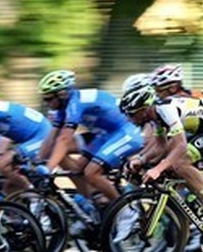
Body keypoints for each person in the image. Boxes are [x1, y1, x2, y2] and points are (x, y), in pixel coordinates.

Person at [120, 85, 203, 240]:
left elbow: (181, 145)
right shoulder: (155, 118)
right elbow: (161, 146)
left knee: (180, 164)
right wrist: (141, 159)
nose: (128, 119)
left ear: (143, 109)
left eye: (131, 114)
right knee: (199, 186)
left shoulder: (166, 110)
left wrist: (158, 169)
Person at [37, 69, 143, 209]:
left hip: (125, 131)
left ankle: (125, 211)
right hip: (105, 134)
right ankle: (93, 202)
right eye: (45, 99)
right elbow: (53, 135)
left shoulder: (76, 102)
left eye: (49, 98)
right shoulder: (63, 108)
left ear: (62, 94)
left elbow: (64, 139)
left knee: (91, 172)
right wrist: (38, 161)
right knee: (77, 168)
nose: (47, 103)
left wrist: (49, 168)